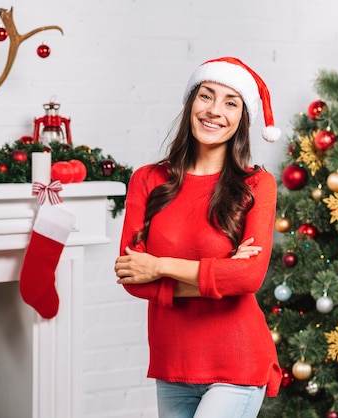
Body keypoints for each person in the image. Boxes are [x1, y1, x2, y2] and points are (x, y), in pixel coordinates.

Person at [114, 57, 282, 418]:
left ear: (242, 118)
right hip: (173, 362)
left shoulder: (256, 186)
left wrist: (159, 266)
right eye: (206, 96)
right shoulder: (148, 179)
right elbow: (132, 278)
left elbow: (249, 278)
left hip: (238, 360)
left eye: (230, 102)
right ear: (191, 103)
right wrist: (220, 274)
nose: (214, 111)